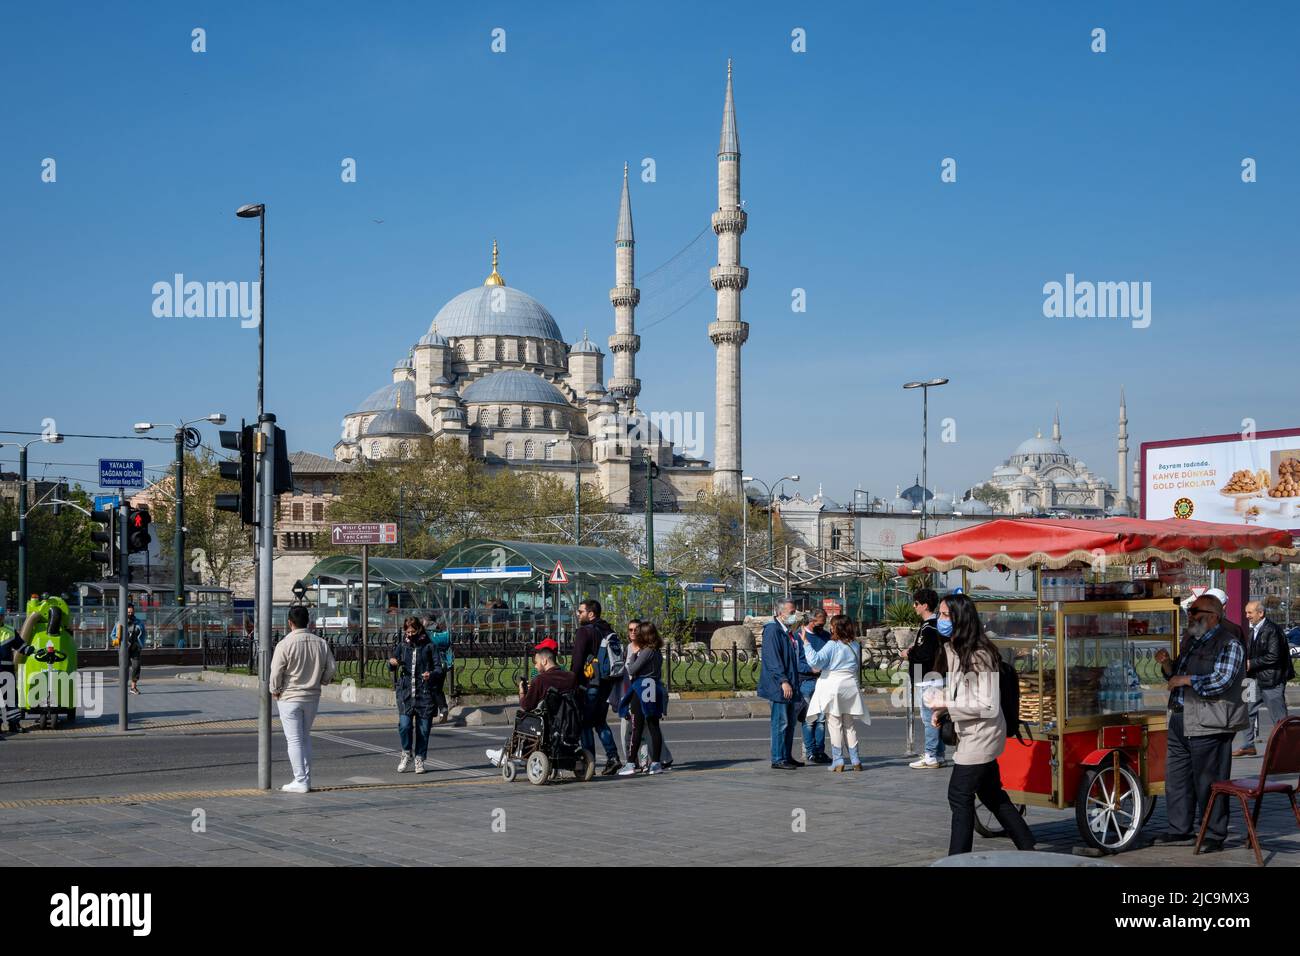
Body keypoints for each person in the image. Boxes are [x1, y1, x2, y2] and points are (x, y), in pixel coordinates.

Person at [927, 593, 1036, 856]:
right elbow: (963, 694)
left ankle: (958, 858)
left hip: (982, 735)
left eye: (944, 615)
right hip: (971, 732)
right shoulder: (953, 649)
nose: (940, 620)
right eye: (940, 614)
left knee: (959, 796)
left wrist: (948, 706)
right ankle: (1028, 845)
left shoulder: (980, 655)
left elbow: (986, 705)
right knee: (991, 795)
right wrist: (943, 708)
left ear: (960, 619)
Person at [1151, 594, 1248, 851]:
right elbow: (1176, 677)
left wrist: (1187, 680)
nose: (1191, 616)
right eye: (1190, 612)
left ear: (1214, 616)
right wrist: (1167, 665)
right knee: (1178, 779)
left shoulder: (1229, 644)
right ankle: (1179, 829)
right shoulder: (1192, 642)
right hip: (1180, 718)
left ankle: (1214, 834)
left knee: (1210, 781)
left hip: (1210, 722)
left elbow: (1222, 681)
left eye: (1196, 612)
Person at [269, 605, 337, 793]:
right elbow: (331, 667)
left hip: (290, 697)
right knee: (304, 737)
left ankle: (301, 780)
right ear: (309, 622)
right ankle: (305, 778)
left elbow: (276, 672)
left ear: (289, 622)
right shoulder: (320, 642)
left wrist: (275, 690)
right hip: (312, 696)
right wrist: (323, 680)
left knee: (294, 740)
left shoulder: (285, 644)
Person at [485, 640, 578, 767]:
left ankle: (511, 753)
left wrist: (522, 692)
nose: (535, 666)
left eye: (536, 662)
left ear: (544, 661)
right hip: (569, 722)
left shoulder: (540, 680)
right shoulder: (571, 677)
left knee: (523, 715)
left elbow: (527, 705)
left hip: (548, 724)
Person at [801, 613, 866, 771]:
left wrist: (805, 643)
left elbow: (815, 661)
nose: (830, 627)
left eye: (832, 624)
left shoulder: (833, 644)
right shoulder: (855, 645)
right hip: (850, 686)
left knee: (834, 723)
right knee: (849, 725)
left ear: (836, 627)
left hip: (833, 685)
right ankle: (855, 759)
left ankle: (838, 760)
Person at [1233, 601, 1292, 757]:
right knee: (1246, 711)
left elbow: (1274, 656)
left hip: (1271, 681)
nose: (1247, 616)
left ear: (1261, 613)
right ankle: (1248, 745)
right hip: (1252, 680)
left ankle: (1286, 749)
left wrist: (1250, 663)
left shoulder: (1272, 630)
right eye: (1246, 613)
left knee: (1278, 718)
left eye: (1250, 613)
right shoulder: (1254, 631)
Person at [572, 599, 622, 775]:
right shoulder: (608, 629)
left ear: (590, 614)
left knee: (586, 723)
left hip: (590, 683)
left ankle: (589, 762)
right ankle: (613, 757)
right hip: (608, 683)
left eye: (581, 612)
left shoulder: (584, 631)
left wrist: (572, 682)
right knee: (600, 721)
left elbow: (577, 661)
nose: (578, 614)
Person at [617, 621, 668, 775]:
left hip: (641, 687)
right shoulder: (657, 651)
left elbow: (632, 668)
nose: (636, 634)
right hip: (652, 686)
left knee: (636, 726)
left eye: (639, 632)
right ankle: (656, 763)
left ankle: (631, 763)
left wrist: (632, 656)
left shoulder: (646, 651)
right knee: (653, 726)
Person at [758, 599, 804, 770]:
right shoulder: (772, 630)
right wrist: (783, 681)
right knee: (781, 722)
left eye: (794, 612)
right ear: (779, 613)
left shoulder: (787, 631)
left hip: (791, 683)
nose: (794, 615)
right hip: (780, 685)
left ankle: (786, 755)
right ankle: (778, 758)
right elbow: (772, 659)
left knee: (790, 723)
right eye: (791, 612)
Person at [905, 587, 947, 769]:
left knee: (929, 717)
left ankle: (931, 755)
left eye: (916, 603)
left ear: (924, 605)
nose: (914, 607)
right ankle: (938, 754)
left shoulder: (929, 627)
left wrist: (909, 653)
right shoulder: (935, 625)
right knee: (937, 715)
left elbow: (925, 654)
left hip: (928, 677)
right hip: (934, 676)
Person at [388, 617, 437, 774]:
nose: (409, 635)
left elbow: (439, 668)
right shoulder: (402, 645)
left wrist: (431, 674)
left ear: (419, 630)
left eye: (413, 631)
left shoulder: (429, 646)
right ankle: (406, 752)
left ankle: (420, 758)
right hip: (406, 692)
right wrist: (392, 662)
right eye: (407, 632)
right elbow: (391, 663)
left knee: (423, 730)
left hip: (425, 693)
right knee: (405, 725)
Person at [796, 610, 831, 764]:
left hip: (823, 680)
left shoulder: (825, 635)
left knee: (822, 719)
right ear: (811, 621)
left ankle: (819, 751)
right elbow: (796, 660)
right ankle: (810, 751)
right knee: (810, 718)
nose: (822, 627)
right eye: (819, 624)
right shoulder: (799, 637)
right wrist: (810, 669)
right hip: (806, 681)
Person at [112, 604, 146, 696]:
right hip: (124, 648)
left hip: (135, 647)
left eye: (131, 612)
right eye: (128, 612)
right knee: (124, 668)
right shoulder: (120, 623)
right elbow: (113, 634)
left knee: (136, 666)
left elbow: (143, 634)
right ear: (125, 612)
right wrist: (116, 641)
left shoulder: (139, 622)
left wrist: (141, 644)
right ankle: (123, 687)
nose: (130, 614)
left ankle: (133, 687)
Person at [423, 614, 452, 723]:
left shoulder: (427, 634)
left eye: (423, 620)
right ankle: (442, 710)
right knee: (437, 688)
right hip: (444, 663)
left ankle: (437, 711)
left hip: (432, 665)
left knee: (431, 688)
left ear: (426, 621)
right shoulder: (442, 631)